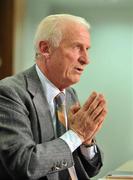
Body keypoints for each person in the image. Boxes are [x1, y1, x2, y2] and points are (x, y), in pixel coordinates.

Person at [0, 14, 107, 180]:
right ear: (45, 49)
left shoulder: (70, 94)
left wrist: (86, 141)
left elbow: (89, 169)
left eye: (87, 49)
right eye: (77, 47)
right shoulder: (10, 93)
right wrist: (77, 134)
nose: (86, 59)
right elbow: (24, 165)